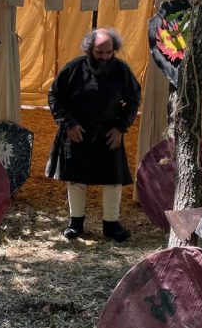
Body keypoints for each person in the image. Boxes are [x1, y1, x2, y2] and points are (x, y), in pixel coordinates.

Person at [46, 27, 141, 242]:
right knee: (76, 178)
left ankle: (111, 225)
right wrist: (68, 123)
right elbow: (54, 96)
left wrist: (120, 127)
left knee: (113, 178)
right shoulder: (72, 69)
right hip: (77, 132)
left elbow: (134, 98)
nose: (105, 57)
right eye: (100, 53)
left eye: (109, 52)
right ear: (89, 49)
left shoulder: (121, 70)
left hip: (109, 132)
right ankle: (75, 223)